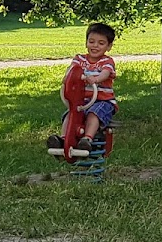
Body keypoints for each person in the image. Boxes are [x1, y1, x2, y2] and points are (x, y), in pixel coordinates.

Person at [47, 22, 117, 155]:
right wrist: (67, 78)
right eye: (91, 41)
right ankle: (63, 139)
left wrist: (96, 79)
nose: (95, 46)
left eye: (101, 43)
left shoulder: (107, 61)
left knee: (94, 113)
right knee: (71, 114)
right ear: (86, 43)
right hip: (83, 101)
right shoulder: (79, 59)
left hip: (103, 101)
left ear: (109, 46)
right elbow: (72, 70)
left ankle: (87, 139)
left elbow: (106, 73)